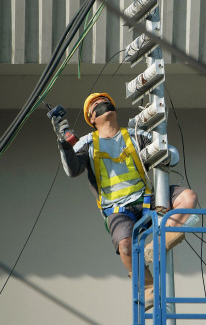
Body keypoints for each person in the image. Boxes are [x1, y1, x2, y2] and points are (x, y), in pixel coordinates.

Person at [51, 93, 197, 310]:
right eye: (96, 105)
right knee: (126, 246)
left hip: (148, 198)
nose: (103, 105)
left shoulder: (135, 135)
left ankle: (158, 244)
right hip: (118, 209)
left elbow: (172, 155)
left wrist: (165, 155)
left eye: (105, 102)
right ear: (91, 118)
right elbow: (73, 170)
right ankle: (147, 288)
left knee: (188, 197)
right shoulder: (88, 143)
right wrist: (63, 141)